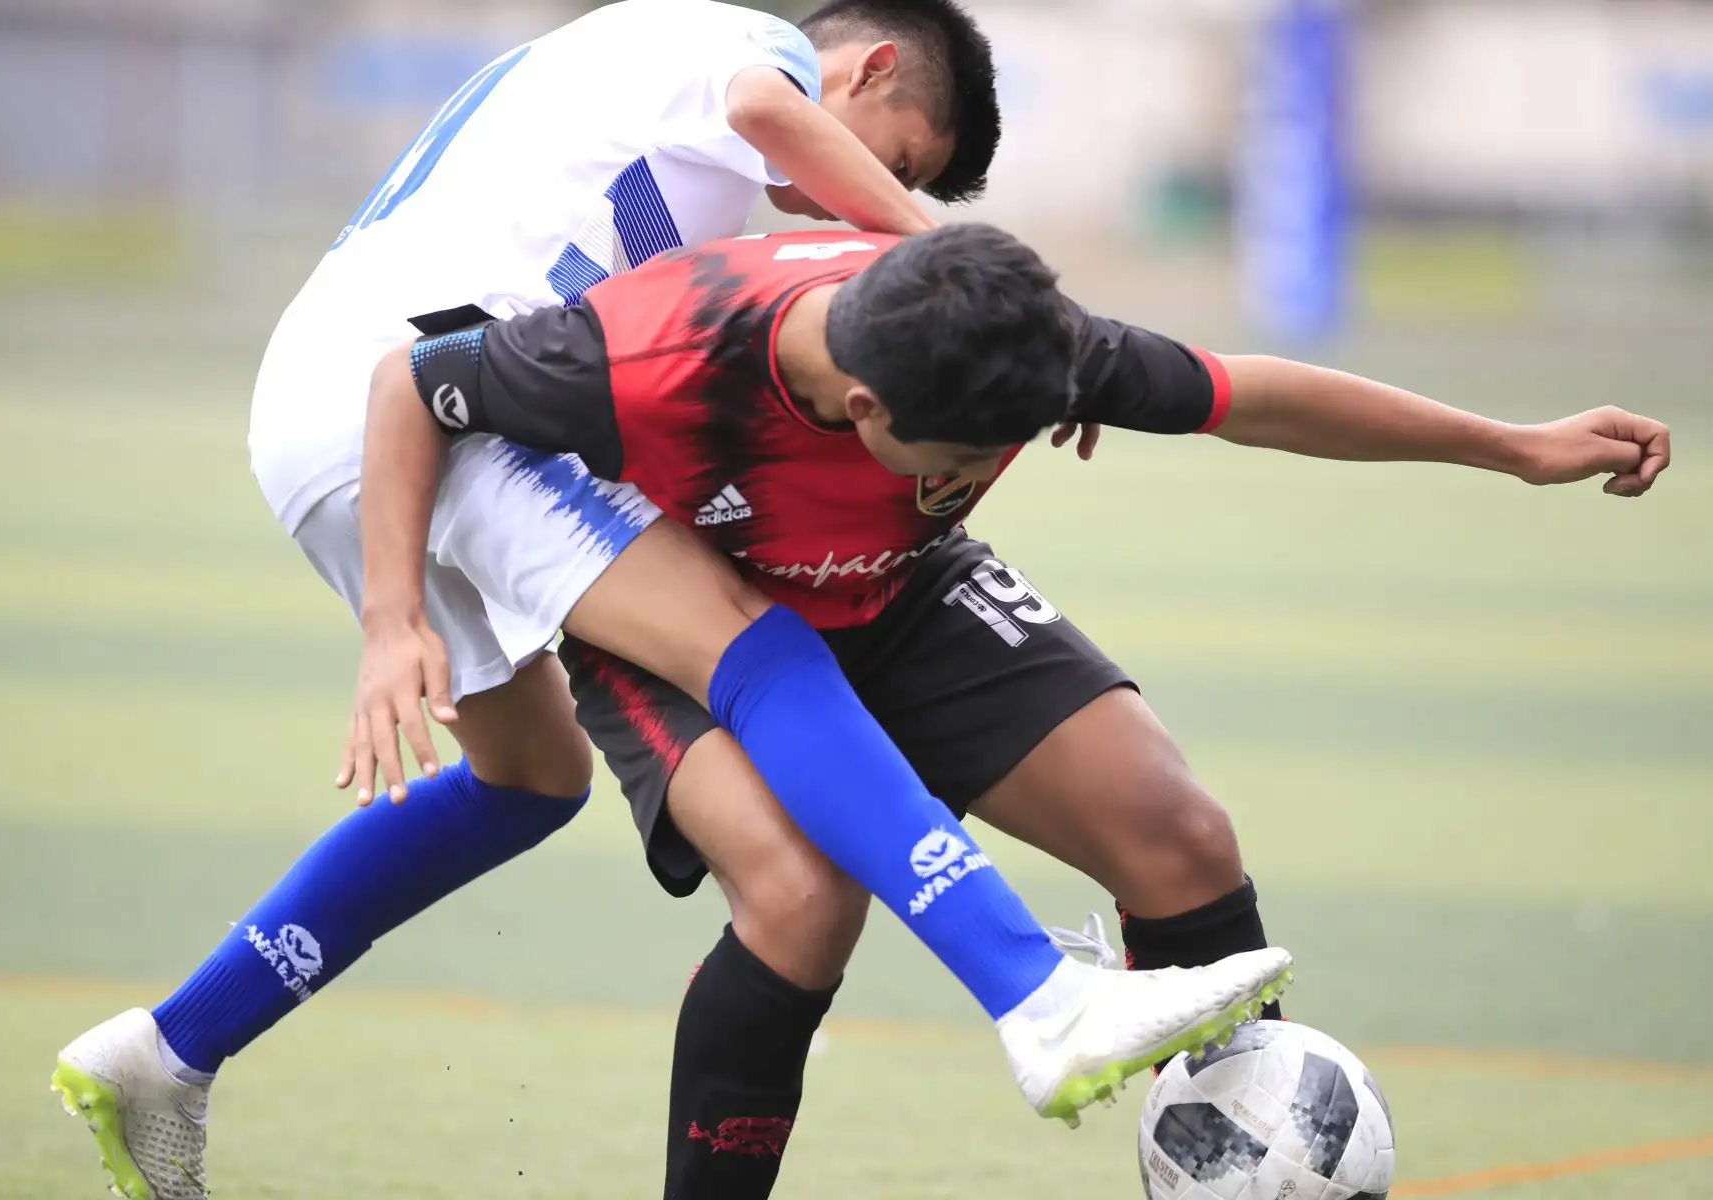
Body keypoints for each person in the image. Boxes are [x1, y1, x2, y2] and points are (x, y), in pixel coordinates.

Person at [49, 10, 1292, 1194]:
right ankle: (1040, 1000)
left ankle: (170, 1050)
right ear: (860, 75)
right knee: (752, 649)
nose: (858, 198)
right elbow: (766, 106)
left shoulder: (627, 98)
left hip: (348, 403)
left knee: (526, 781)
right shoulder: (751, 49)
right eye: (897, 163)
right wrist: (959, 272)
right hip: (412, 397)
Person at [356, 223, 1670, 1197]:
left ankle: (1238, 1172)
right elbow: (410, 387)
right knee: (806, 901)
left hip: (901, 596)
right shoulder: (634, 363)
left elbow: (1245, 395)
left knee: (1180, 839)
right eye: (966, 458)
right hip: (671, 626)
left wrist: (1516, 446)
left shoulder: (1008, 339)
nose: (989, 472)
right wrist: (393, 618)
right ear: (863, 407)